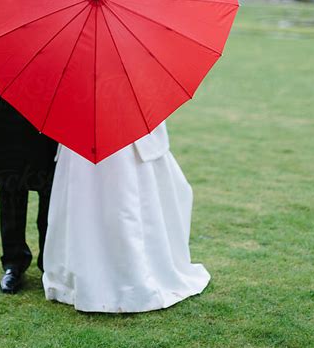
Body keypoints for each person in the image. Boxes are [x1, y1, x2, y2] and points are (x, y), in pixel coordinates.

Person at [42, 120, 210, 312]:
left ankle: (131, 274)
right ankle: (91, 274)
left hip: (128, 132)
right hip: (82, 135)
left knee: (126, 202)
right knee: (86, 201)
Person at [0, 78, 58, 294]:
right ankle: (13, 263)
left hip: (53, 90)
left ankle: (49, 262)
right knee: (10, 177)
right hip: (9, 88)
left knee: (51, 181)